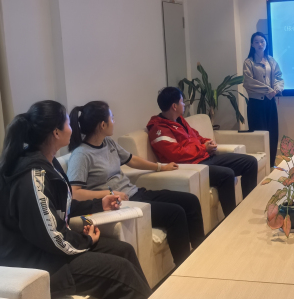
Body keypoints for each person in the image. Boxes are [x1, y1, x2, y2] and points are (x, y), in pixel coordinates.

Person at [0, 101, 150, 299]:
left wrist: (98, 204)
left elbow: (58, 207)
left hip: (44, 251)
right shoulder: (32, 176)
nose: (72, 128)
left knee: (124, 250)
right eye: (67, 123)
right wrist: (86, 241)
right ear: (56, 132)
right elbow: (52, 236)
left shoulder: (48, 162)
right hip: (31, 264)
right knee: (120, 269)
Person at [66, 101, 205, 267]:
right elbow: (74, 192)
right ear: (103, 125)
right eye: (112, 118)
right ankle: (186, 268)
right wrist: (109, 194)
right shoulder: (81, 155)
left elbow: (132, 160)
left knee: (190, 201)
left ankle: (201, 255)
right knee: (175, 213)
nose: (114, 121)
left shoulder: (108, 143)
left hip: (136, 193)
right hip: (123, 204)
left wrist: (161, 167)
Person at [147, 87, 258, 217]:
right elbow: (176, 155)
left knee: (250, 162)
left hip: (205, 157)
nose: (184, 104)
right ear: (174, 106)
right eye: (182, 101)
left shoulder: (180, 120)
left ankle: (248, 207)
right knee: (227, 174)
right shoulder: (158, 129)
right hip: (192, 166)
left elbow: (196, 136)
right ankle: (232, 218)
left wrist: (208, 142)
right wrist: (203, 148)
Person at [243, 32, 284, 167]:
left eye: (262, 41)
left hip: (270, 102)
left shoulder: (271, 60)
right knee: (259, 135)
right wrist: (268, 90)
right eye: (257, 42)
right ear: (252, 44)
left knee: (272, 132)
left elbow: (278, 77)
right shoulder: (249, 62)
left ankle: (271, 163)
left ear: (266, 43)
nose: (260, 44)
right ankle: (260, 165)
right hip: (256, 104)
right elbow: (249, 83)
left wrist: (276, 89)